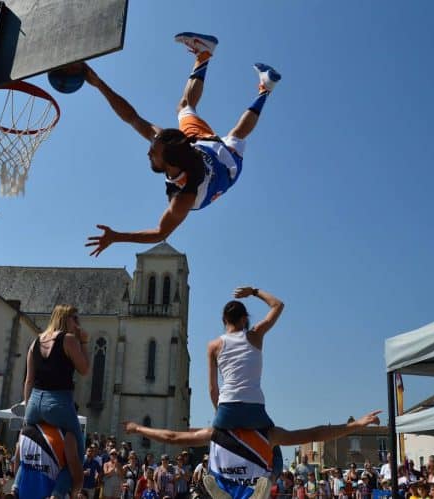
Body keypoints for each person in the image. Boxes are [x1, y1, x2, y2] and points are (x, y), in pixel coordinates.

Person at [83, 32, 282, 257]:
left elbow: (133, 118)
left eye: (152, 151)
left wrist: (116, 237)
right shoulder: (181, 182)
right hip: (226, 168)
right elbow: (132, 117)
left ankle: (222, 63)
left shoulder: (180, 174)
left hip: (203, 151)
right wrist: (99, 84)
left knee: (196, 114)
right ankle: (256, 85)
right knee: (232, 135)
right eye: (153, 151)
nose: (148, 152)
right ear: (169, 162)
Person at [123, 409, 381, 499]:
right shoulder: (220, 432)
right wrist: (138, 429)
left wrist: (354, 426)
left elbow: (314, 433)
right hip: (244, 477)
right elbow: (173, 437)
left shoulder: (261, 434)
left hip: (265, 467)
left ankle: (258, 487)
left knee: (265, 475)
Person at [207, 286, 285, 474]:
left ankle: (214, 477)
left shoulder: (214, 345)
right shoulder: (255, 334)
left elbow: (212, 388)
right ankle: (270, 479)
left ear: (224, 320)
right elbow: (278, 305)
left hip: (227, 406)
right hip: (254, 408)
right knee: (275, 450)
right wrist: (254, 292)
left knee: (216, 445)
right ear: (244, 319)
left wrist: (221, 414)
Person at [23, 304, 90, 498]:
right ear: (65, 319)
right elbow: (84, 369)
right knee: (78, 452)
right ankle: (58, 493)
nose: (78, 324)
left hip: (35, 402)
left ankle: (16, 487)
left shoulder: (36, 342)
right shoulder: (69, 340)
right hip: (58, 402)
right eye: (75, 319)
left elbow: (28, 380)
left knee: (29, 448)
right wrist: (84, 342)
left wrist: (28, 412)